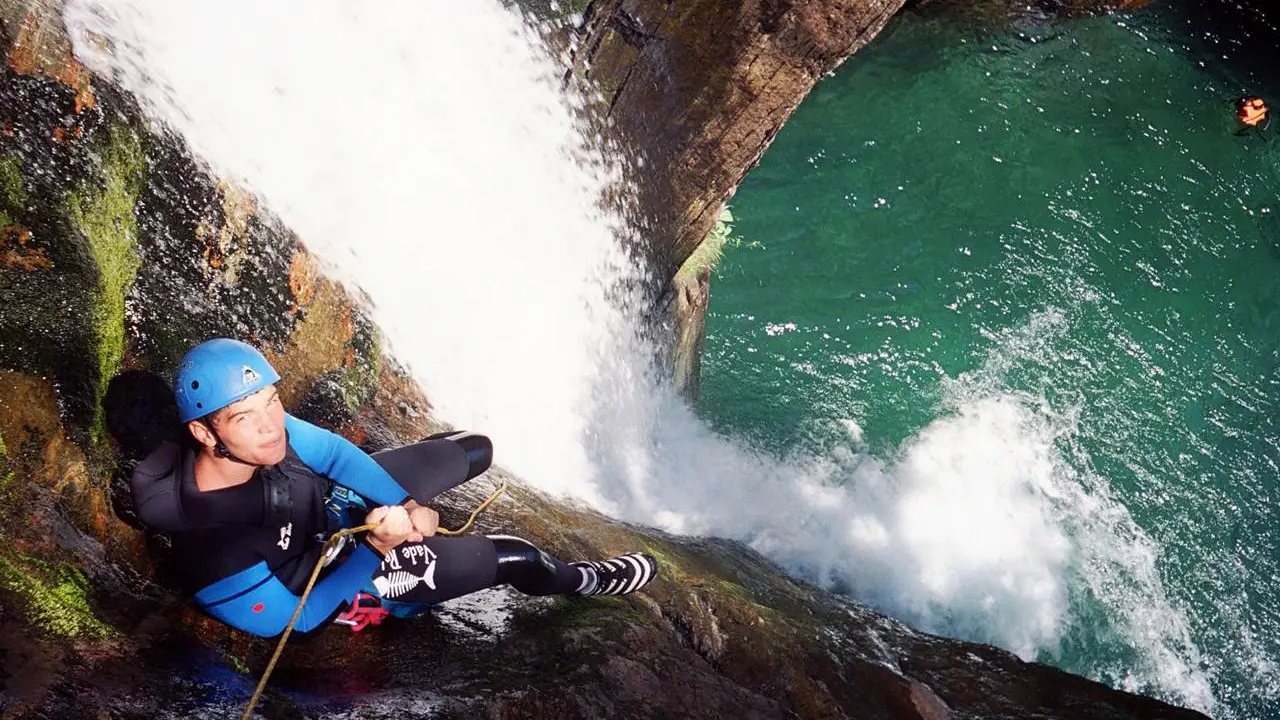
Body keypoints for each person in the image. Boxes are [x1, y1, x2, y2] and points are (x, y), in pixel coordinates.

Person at [125, 338, 657, 638]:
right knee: (516, 557)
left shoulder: (268, 433)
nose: (271, 425)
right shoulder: (215, 549)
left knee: (476, 448)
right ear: (204, 432)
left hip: (334, 510)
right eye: (246, 416)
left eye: (273, 401)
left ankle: (399, 511)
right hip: (336, 581)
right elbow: (297, 620)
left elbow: (331, 453)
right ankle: (580, 581)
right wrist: (375, 549)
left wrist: (403, 504)